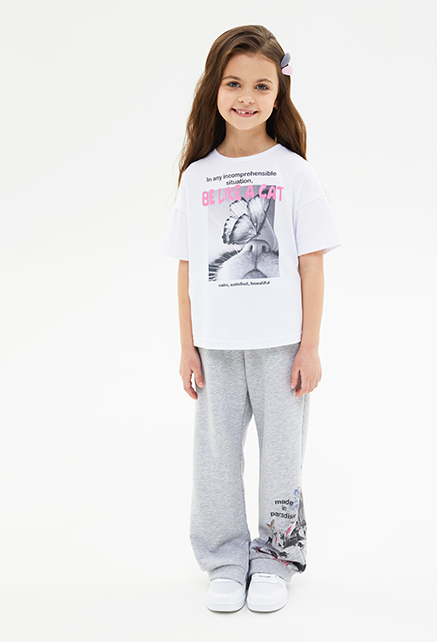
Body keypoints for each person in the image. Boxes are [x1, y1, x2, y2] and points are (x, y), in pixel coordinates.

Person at [162, 25, 341, 613]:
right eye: (233, 83)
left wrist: (309, 346)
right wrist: (186, 347)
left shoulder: (295, 173)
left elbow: (311, 266)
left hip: (281, 347)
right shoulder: (196, 176)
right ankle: (223, 558)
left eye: (261, 85)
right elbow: (188, 270)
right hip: (215, 348)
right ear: (213, 87)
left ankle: (275, 558)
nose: (246, 97)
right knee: (214, 460)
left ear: (279, 91)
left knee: (281, 458)